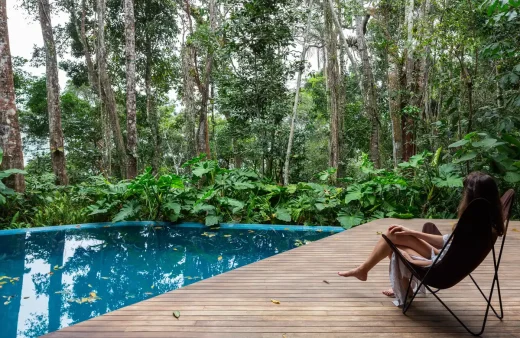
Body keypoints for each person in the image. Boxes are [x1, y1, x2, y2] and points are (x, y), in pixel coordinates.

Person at [337, 172, 505, 305]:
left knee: (392, 239)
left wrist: (412, 237)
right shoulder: (488, 224)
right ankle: (381, 277)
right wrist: (412, 232)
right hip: (447, 259)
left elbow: (446, 246)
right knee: (397, 234)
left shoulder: (471, 224)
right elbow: (447, 242)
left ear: (470, 198)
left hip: (439, 267)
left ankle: (368, 272)